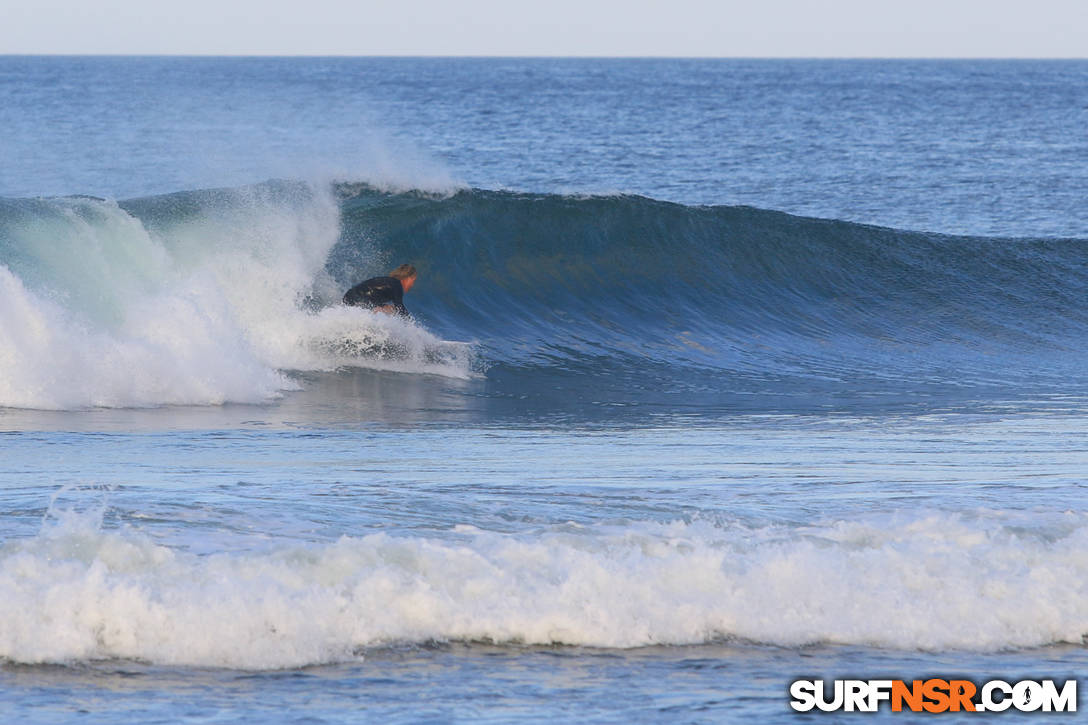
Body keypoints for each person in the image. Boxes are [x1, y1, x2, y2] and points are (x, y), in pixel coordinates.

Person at [343, 264, 417, 317]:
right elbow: (400, 308)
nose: (412, 284)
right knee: (391, 310)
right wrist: (412, 327)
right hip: (360, 300)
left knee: (388, 308)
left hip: (349, 296)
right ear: (407, 278)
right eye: (413, 281)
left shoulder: (389, 281)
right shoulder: (397, 285)